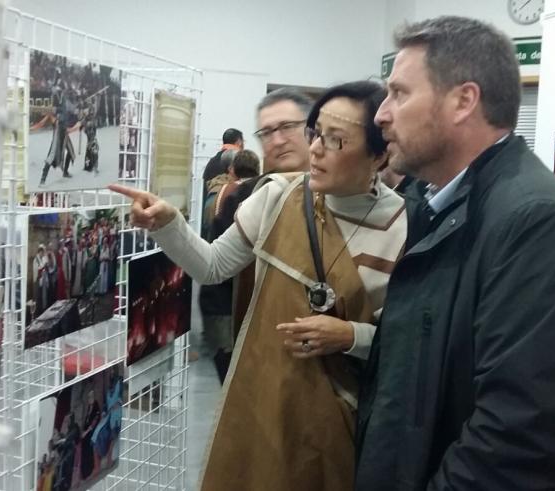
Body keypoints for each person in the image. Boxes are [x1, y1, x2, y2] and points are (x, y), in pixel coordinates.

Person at [111, 80, 407, 491]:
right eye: (317, 133)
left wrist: (349, 335)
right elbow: (213, 266)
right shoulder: (279, 197)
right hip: (260, 400)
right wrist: (168, 225)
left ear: (379, 154)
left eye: (336, 140)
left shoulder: (404, 228)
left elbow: (408, 347)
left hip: (342, 418)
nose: (317, 148)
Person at [356, 16, 555, 490]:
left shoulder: (537, 225)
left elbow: (520, 440)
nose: (381, 114)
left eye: (400, 93)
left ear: (463, 101)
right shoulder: (440, 207)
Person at [216, 88, 314, 344]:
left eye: (287, 127)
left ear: (313, 129)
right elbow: (217, 268)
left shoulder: (343, 194)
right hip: (258, 343)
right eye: (267, 132)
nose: (278, 140)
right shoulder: (247, 196)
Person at [199, 149, 261, 382]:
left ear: (232, 171)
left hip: (221, 298)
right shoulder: (265, 196)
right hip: (252, 300)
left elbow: (209, 241)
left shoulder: (218, 196)